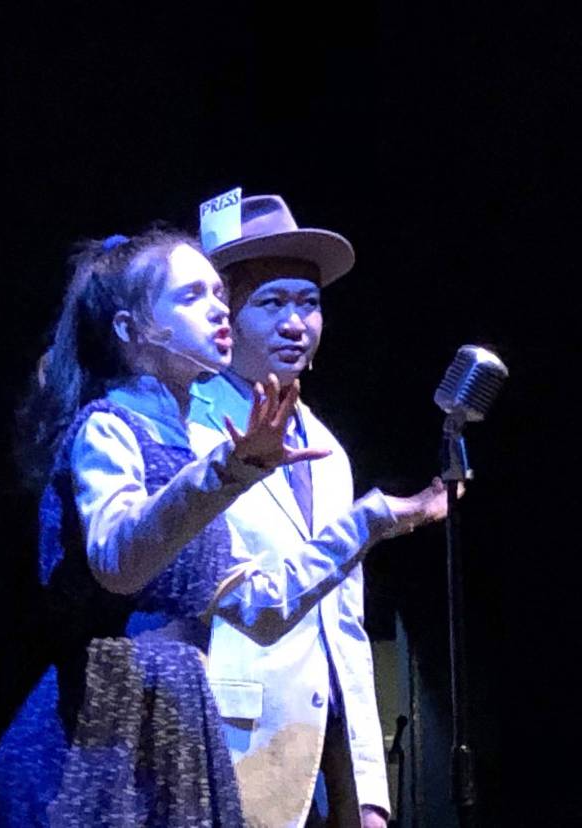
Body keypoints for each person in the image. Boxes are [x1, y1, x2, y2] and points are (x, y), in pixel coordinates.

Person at [0, 228, 335, 826]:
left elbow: (262, 606)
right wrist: (230, 471)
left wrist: (377, 522)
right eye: (193, 296)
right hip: (103, 714)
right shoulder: (110, 427)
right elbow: (118, 561)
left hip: (175, 716)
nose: (219, 307)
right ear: (132, 329)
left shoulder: (186, 445)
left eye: (220, 293)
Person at [190, 191, 449, 827]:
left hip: (324, 758)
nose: (296, 323)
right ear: (226, 314)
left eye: (309, 304)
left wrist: (367, 791)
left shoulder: (327, 447)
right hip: (229, 749)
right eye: (272, 303)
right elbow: (240, 600)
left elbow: (345, 626)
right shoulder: (193, 431)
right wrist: (378, 518)